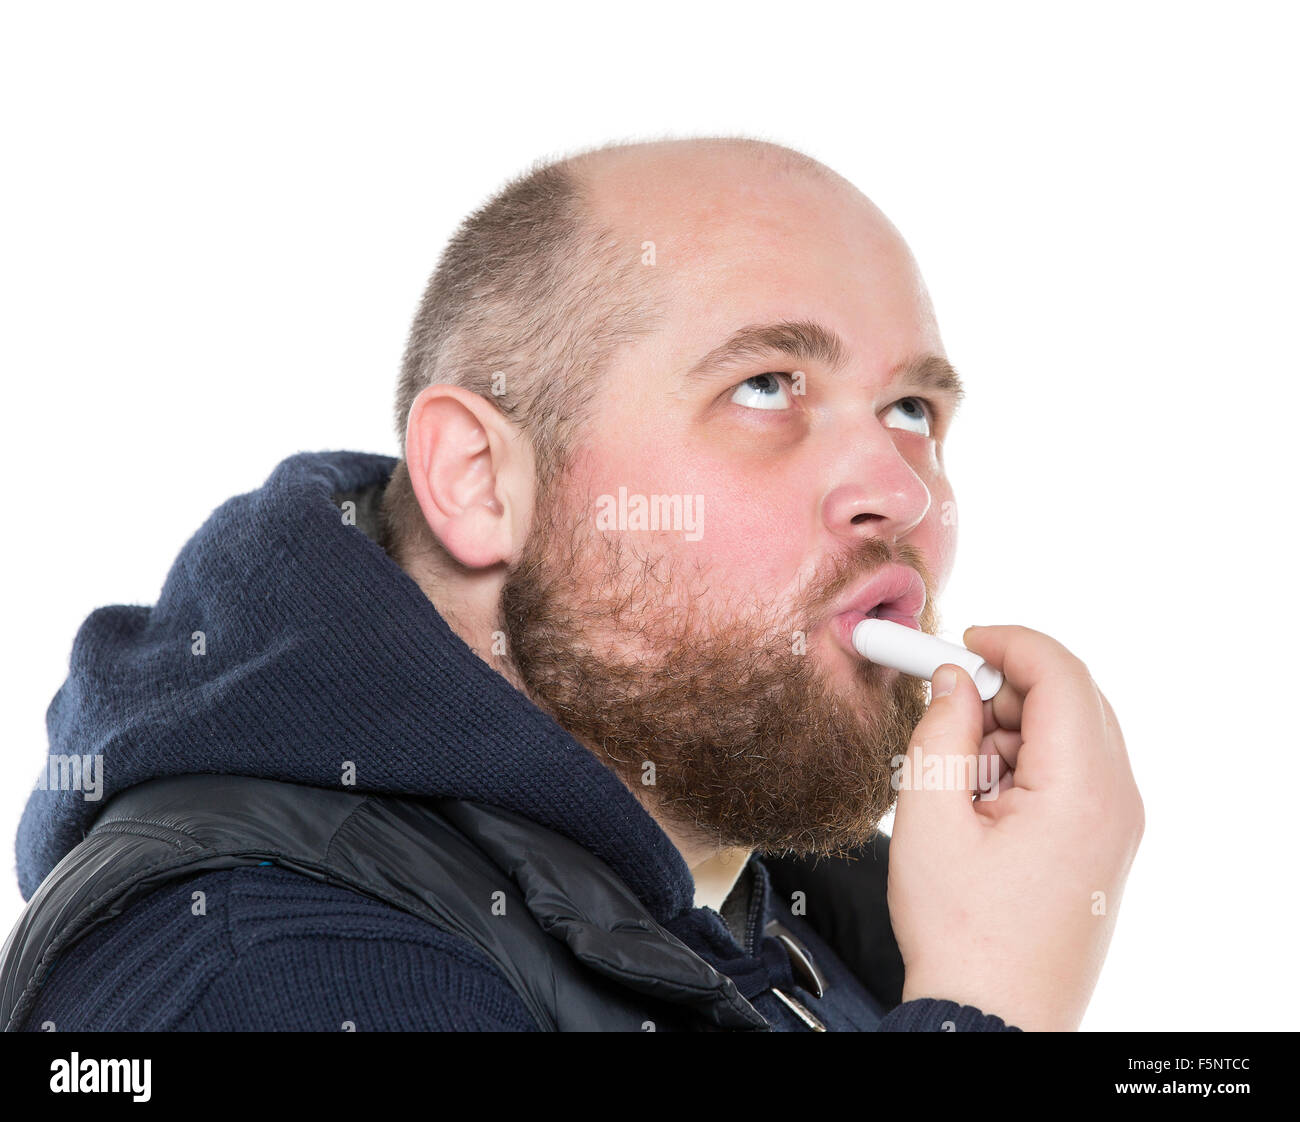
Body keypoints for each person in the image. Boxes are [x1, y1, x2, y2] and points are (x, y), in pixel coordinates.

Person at [4, 136, 1143, 1032]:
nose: (899, 493)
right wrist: (988, 1004)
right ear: (481, 481)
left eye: (912, 412)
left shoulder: (786, 929)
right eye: (766, 385)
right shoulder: (266, 971)